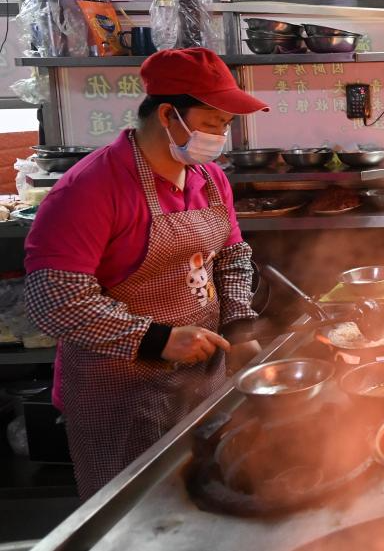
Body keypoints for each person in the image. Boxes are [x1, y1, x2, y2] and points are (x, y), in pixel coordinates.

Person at [23, 48, 270, 498]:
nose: (221, 136)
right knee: (137, 519)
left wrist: (237, 322)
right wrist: (158, 339)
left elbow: (232, 257)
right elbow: (54, 301)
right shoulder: (92, 188)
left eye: (226, 125)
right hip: (119, 394)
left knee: (200, 505)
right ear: (168, 114)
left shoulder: (209, 180)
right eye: (213, 122)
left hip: (199, 379)